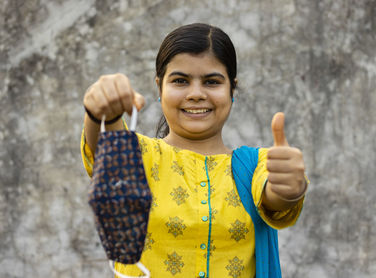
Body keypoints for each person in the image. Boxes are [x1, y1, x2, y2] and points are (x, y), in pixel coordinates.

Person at [81, 23, 307, 278]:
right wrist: (100, 110)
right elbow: (105, 144)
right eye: (180, 81)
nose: (196, 94)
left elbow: (276, 197)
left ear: (232, 89)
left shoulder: (256, 166)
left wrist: (289, 187)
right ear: (160, 88)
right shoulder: (136, 156)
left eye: (211, 82)